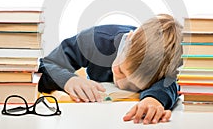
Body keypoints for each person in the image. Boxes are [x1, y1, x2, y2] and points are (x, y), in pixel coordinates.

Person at [38, 14, 183, 124]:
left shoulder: (163, 66)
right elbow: (45, 66)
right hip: (88, 119)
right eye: (120, 70)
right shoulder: (95, 40)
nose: (121, 83)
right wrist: (68, 79)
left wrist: (154, 99)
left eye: (132, 85)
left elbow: (172, 82)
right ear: (129, 39)